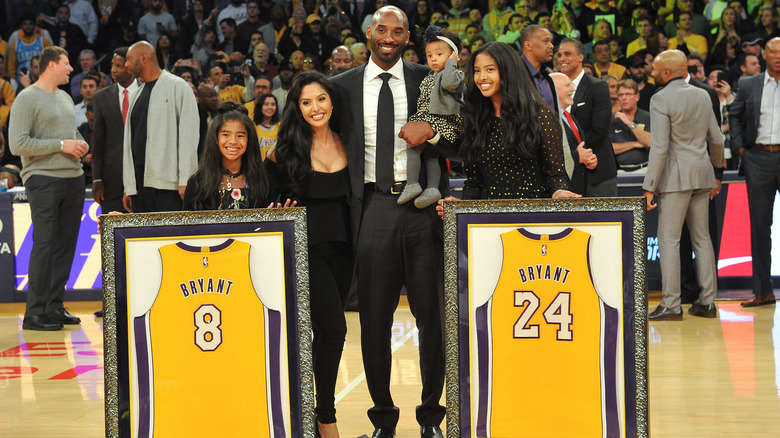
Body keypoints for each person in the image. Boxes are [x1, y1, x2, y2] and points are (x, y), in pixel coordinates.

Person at [330, 5, 453, 438]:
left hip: (423, 207)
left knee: (432, 318)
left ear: (407, 38)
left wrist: (433, 134)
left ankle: (431, 417)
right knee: (374, 320)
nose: (388, 36)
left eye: (397, 31)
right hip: (372, 207)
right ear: (368, 33)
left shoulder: (429, 78)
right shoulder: (340, 87)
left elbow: (461, 129)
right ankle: (383, 418)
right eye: (381, 29)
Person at [264, 71, 351, 438]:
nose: (315, 108)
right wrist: (273, 208)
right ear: (296, 109)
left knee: (327, 333)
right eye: (306, 102)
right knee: (334, 329)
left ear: (332, 101)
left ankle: (312, 413)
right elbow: (266, 205)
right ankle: (325, 417)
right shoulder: (282, 153)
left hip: (345, 250)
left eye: (320, 99)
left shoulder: (351, 143)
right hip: (305, 251)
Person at [9, 45, 89, 331]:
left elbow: (72, 133)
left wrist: (80, 143)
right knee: (44, 243)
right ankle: (34, 312)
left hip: (74, 178)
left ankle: (54, 306)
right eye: (67, 63)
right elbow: (17, 144)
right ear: (52, 64)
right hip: (43, 178)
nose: (72, 69)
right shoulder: (26, 98)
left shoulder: (67, 98)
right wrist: (61, 146)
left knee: (65, 245)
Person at [643, 50, 724, 321]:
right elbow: (717, 139)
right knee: (702, 239)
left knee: (669, 240)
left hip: (675, 178)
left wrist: (650, 184)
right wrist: (716, 172)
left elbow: (660, 146)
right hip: (703, 174)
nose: (652, 73)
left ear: (667, 73)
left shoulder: (660, 98)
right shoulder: (702, 94)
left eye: (655, 69)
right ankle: (708, 302)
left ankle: (671, 304)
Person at [460, 42, 579, 200]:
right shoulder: (474, 118)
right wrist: (458, 208)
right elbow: (474, 183)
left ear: (508, 72)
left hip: (531, 215)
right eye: (476, 71)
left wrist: (559, 192)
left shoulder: (540, 115)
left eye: (490, 70)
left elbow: (555, 176)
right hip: (488, 219)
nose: (481, 77)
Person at [730, 37, 780, 307]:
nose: (778, 56)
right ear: (764, 55)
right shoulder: (749, 84)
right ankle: (763, 291)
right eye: (773, 51)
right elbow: (734, 115)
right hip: (757, 156)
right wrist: (740, 149)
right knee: (760, 226)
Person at [122, 41, 200, 213]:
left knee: (171, 239)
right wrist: (129, 186)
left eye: (129, 59)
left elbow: (189, 137)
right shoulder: (137, 94)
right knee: (144, 239)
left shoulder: (178, 86)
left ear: (143, 58)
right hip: (140, 185)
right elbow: (130, 145)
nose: (126, 64)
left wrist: (186, 179)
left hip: (169, 185)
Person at [402, 26, 464, 208]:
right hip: (429, 118)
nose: (433, 59)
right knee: (430, 154)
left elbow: (449, 84)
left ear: (454, 55)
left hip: (443, 120)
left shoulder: (455, 74)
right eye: (429, 56)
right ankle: (432, 188)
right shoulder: (430, 75)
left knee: (413, 146)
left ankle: (412, 184)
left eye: (439, 54)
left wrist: (452, 64)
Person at [183, 102, 274, 210]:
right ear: (215, 138)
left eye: (240, 136)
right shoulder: (198, 182)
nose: (233, 141)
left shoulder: (262, 180)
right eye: (226, 135)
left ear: (249, 140)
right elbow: (187, 226)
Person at [558, 37, 618, 197]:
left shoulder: (597, 87)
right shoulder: (552, 89)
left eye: (567, 54)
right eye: (559, 55)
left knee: (602, 222)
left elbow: (599, 130)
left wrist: (575, 153)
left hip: (598, 173)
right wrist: (572, 156)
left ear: (580, 57)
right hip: (570, 173)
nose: (562, 58)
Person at [92, 47, 138, 214]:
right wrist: (97, 178)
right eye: (113, 65)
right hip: (111, 181)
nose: (113, 70)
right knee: (112, 234)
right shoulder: (101, 97)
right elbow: (98, 142)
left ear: (130, 66)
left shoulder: (147, 92)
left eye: (119, 66)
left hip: (142, 177)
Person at [550, 72, 597, 195]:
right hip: (562, 192)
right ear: (553, 90)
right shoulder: (547, 119)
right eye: (567, 85)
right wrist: (577, 157)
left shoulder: (569, 116)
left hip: (579, 188)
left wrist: (589, 159)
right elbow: (549, 157)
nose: (573, 88)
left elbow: (580, 147)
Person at [610, 78, 652, 171]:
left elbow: (649, 142)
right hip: (620, 171)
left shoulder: (648, 116)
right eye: (621, 95)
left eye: (628, 94)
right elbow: (609, 149)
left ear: (637, 97)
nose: (624, 98)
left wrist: (629, 123)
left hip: (646, 169)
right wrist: (635, 144)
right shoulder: (612, 120)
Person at [252, 93, 280, 159]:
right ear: (260, 106)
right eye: (266, 104)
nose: (270, 107)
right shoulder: (253, 127)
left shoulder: (281, 127)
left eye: (273, 104)